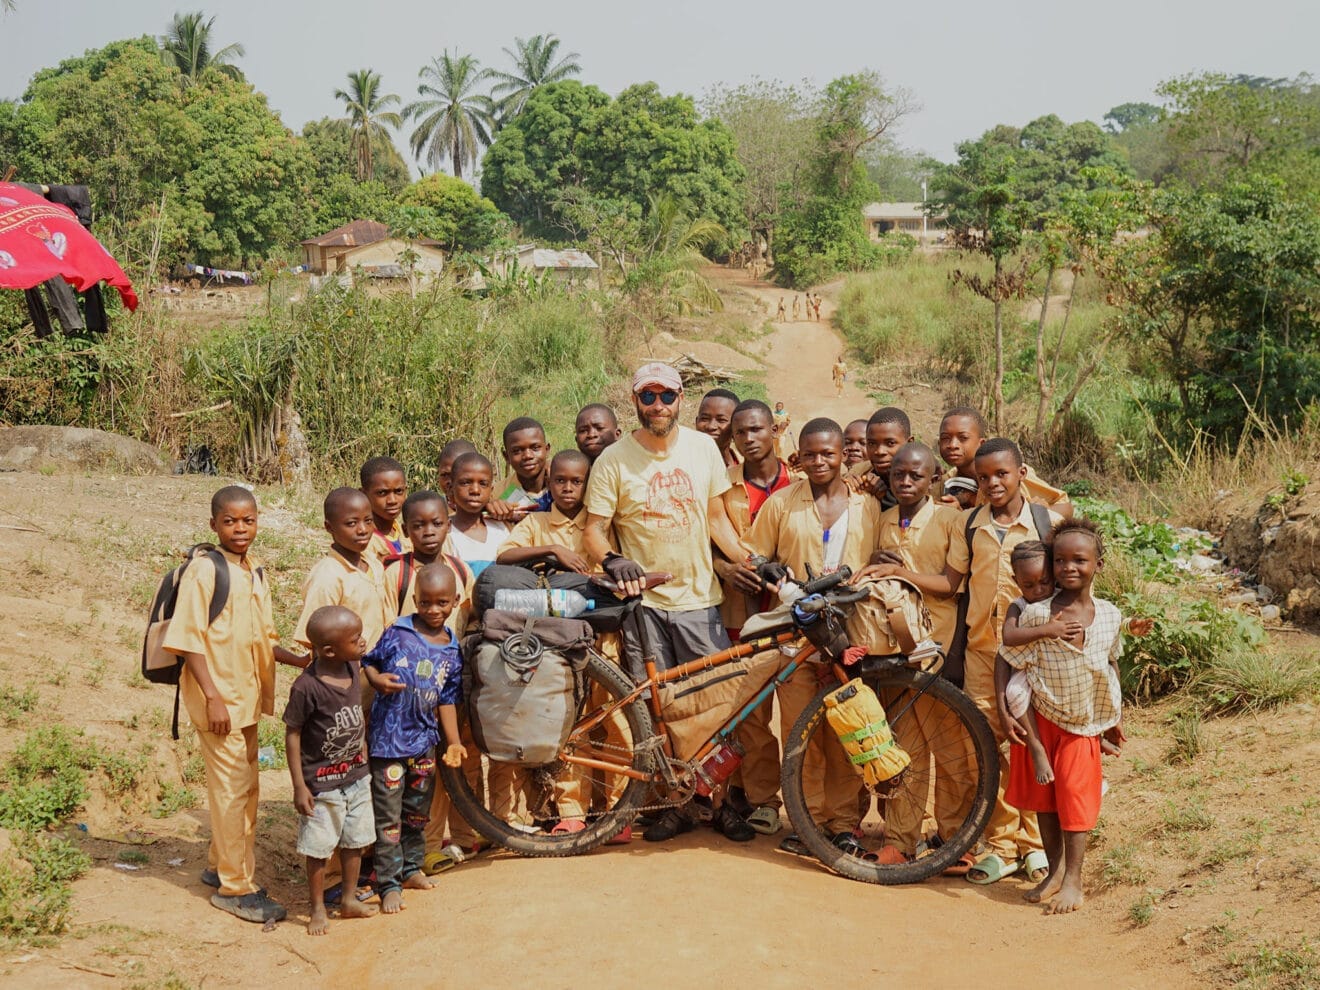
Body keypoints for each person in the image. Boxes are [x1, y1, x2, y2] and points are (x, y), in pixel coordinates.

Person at [583, 362, 759, 842]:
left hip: (700, 601)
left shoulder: (704, 449)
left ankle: (717, 804)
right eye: (648, 397)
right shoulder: (614, 460)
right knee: (657, 710)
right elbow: (594, 530)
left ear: (682, 398)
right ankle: (676, 804)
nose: (658, 406)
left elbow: (718, 520)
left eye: (667, 396)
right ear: (635, 401)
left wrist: (753, 559)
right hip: (644, 608)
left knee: (714, 707)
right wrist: (612, 559)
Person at [162, 486, 307, 924]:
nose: (240, 529)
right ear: (214, 525)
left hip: (245, 698)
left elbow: (264, 639)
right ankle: (235, 887)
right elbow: (187, 641)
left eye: (248, 521)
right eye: (230, 521)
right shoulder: (205, 571)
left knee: (246, 788)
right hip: (220, 699)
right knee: (230, 790)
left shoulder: (253, 570)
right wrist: (212, 697)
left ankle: (218, 863)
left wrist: (301, 661)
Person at [736, 418, 878, 861]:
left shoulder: (868, 504)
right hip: (796, 636)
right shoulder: (782, 504)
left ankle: (843, 823)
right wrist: (767, 568)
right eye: (811, 454)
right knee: (802, 730)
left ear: (842, 455)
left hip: (850, 634)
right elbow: (753, 551)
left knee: (846, 729)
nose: (819, 462)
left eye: (828, 454)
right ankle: (808, 820)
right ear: (799, 455)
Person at [497, 449, 633, 840]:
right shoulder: (538, 522)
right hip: (555, 641)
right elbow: (504, 555)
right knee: (569, 721)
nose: (568, 488)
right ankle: (571, 809)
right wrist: (551, 550)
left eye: (577, 481)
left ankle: (617, 809)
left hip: (603, 639)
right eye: (560, 481)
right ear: (549, 481)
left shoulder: (601, 524)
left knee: (611, 718)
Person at [946, 438, 1064, 886]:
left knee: (1034, 743)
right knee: (989, 744)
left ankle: (1033, 844)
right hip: (982, 651)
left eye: (1002, 474)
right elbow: (956, 587)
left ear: (1021, 473)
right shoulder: (968, 524)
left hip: (1035, 655)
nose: (993, 483)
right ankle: (999, 844)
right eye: (984, 477)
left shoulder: (1045, 523)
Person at [996, 519, 1127, 913]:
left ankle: (1074, 879)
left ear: (1098, 565)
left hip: (1083, 723)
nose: (1068, 567)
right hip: (1042, 717)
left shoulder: (1109, 615)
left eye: (1079, 560)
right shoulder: (1037, 616)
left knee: (1074, 799)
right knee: (1045, 801)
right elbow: (1006, 656)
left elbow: (1111, 665)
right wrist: (1005, 710)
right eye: (1059, 560)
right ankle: (1055, 871)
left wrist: (1114, 717)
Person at [380, 491, 482, 870]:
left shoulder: (459, 570)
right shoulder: (396, 572)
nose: (428, 532)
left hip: (450, 685)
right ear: (405, 530)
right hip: (409, 696)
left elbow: (468, 623)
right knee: (420, 770)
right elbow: (386, 629)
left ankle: (468, 834)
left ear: (448, 523)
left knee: (457, 756)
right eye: (418, 525)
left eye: (437, 523)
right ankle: (425, 845)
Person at [361, 564, 468, 914]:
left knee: (417, 813)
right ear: (415, 600)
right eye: (425, 603)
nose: (433, 610)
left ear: (455, 600)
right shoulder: (398, 632)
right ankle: (388, 884)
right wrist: (376, 682)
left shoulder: (452, 649)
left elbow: (448, 699)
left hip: (424, 743)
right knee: (388, 817)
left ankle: (411, 869)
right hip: (388, 744)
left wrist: (453, 742)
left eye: (441, 603)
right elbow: (370, 662)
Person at [715, 399, 792, 837]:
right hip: (739, 611)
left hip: (788, 613)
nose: (749, 439)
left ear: (773, 431)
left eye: (757, 429)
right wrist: (727, 569)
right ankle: (763, 801)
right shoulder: (720, 488)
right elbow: (705, 541)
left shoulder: (799, 483)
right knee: (750, 713)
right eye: (740, 432)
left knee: (797, 707)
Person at [283, 606, 376, 935]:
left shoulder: (352, 664)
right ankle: (318, 907)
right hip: (322, 785)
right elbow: (292, 734)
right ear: (328, 650)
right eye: (355, 639)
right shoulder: (306, 688)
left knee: (355, 841)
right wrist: (299, 786)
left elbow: (355, 708)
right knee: (319, 848)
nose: (362, 642)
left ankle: (348, 900)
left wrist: (362, 742)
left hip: (356, 775)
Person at [293, 488, 393, 656]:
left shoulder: (373, 564)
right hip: (346, 673)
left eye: (368, 521)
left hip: (378, 667)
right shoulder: (327, 577)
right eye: (351, 523)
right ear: (329, 527)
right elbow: (315, 638)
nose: (363, 530)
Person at [938, 407, 1073, 518]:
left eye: (963, 438)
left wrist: (1040, 513)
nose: (953, 445)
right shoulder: (945, 483)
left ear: (981, 443)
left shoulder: (1012, 473)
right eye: (945, 438)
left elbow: (1065, 506)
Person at [447, 452, 511, 580]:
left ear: (491, 491)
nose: (475, 490)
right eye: (465, 483)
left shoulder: (503, 528)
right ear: (451, 489)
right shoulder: (445, 533)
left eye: (483, 484)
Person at [849, 407, 911, 509]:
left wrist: (885, 497)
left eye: (890, 443)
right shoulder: (859, 473)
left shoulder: (924, 480)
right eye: (872, 443)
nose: (879, 451)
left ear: (909, 443)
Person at [490, 417, 552, 519]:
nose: (527, 456)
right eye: (517, 450)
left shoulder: (564, 481)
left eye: (535, 448)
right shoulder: (498, 494)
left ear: (547, 449)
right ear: (506, 456)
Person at [359, 456, 409, 564]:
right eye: (382, 493)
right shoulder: (363, 541)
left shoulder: (406, 532)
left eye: (399, 491)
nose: (392, 500)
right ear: (363, 494)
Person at [695, 387, 740, 468]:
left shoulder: (747, 469)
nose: (711, 426)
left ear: (735, 427)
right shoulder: (681, 465)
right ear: (696, 422)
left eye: (721, 420)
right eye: (704, 418)